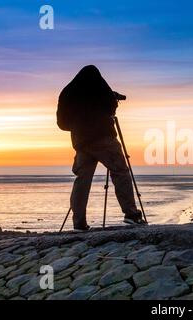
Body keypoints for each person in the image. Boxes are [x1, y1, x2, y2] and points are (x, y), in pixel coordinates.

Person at [57, 65, 145, 231]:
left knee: (82, 180)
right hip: (104, 138)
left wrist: (78, 126)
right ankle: (131, 214)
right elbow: (110, 107)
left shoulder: (67, 93)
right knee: (120, 171)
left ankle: (79, 223)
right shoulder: (100, 87)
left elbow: (62, 123)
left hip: (81, 143)